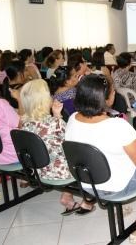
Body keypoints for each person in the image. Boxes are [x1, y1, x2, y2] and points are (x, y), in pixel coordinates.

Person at [65, 74, 136, 242]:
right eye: (112, 91)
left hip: (87, 184)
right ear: (106, 99)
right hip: (115, 187)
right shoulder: (118, 126)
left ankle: (117, 205)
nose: (114, 93)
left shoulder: (72, 119)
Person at [19, 79, 93, 215]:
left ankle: (67, 196)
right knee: (88, 153)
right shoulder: (55, 123)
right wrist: (58, 117)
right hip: (62, 173)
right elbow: (72, 146)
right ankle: (88, 200)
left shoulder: (23, 124)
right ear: (44, 100)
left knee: (59, 155)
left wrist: (57, 115)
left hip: (40, 171)